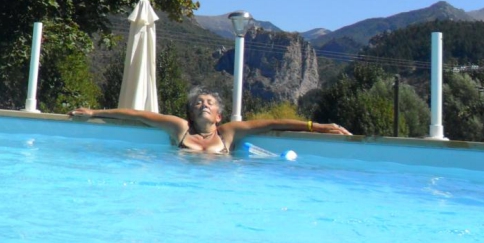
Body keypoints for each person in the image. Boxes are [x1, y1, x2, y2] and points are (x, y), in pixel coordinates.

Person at [69, 88, 351, 154]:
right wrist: (94, 112)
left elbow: (273, 123)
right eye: (197, 103)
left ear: (219, 116)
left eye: (209, 103)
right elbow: (138, 114)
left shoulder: (228, 133)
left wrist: (319, 126)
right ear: (190, 113)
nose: (203, 105)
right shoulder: (179, 127)